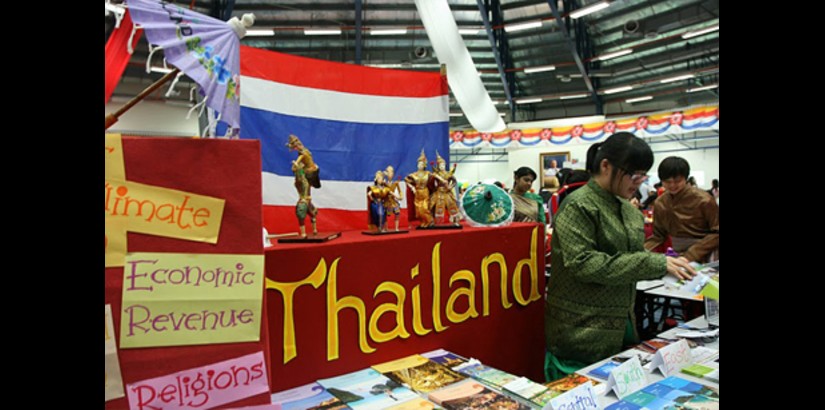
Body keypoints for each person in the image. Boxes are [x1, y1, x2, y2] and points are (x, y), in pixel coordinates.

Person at [544, 132, 696, 381]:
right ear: (606, 166)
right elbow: (583, 263)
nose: (638, 182)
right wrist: (654, 262)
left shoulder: (630, 211)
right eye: (633, 175)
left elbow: (631, 260)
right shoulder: (578, 206)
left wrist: (665, 266)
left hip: (622, 321)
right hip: (580, 328)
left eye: (643, 176)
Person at [644, 157, 719, 263]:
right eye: (667, 181)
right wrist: (642, 252)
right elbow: (658, 235)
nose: (672, 185)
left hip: (705, 252)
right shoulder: (660, 202)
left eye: (677, 181)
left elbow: (717, 232)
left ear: (686, 178)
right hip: (677, 253)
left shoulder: (704, 199)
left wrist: (691, 255)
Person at [286, 134, 321, 237]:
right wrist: (296, 165)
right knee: (302, 212)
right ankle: (306, 232)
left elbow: (300, 163)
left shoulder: (304, 153)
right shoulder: (299, 179)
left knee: (304, 211)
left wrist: (297, 165)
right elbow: (298, 168)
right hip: (304, 196)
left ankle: (310, 230)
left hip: (311, 174)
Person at [404, 150, 434, 227]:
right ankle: (423, 222)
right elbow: (406, 179)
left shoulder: (428, 173)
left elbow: (435, 177)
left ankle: (429, 221)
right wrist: (412, 187)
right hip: (417, 192)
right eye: (419, 164)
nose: (420, 165)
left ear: (424, 165)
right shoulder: (414, 174)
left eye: (421, 164)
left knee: (424, 207)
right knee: (418, 209)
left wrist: (443, 180)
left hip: (424, 191)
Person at [429, 151, 460, 226]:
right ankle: (432, 221)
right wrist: (435, 187)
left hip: (447, 192)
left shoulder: (448, 174)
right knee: (432, 205)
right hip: (438, 192)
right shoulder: (437, 174)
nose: (442, 166)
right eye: (440, 165)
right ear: (438, 166)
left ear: (445, 165)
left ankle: (455, 221)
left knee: (452, 205)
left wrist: (451, 186)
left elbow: (454, 181)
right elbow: (432, 182)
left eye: (443, 165)